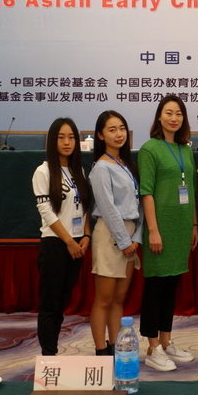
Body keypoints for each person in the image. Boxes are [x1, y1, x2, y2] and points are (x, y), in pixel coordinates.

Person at [137, 95, 198, 371]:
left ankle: (166, 341)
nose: (174, 118)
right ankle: (152, 348)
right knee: (155, 288)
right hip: (159, 229)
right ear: (159, 117)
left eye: (179, 114)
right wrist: (153, 230)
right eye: (169, 113)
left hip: (181, 228)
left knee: (171, 286)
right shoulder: (149, 149)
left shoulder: (185, 149)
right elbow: (146, 192)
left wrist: (194, 225)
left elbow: (190, 189)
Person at [32, 117, 92, 356]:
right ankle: (49, 355)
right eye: (61, 137)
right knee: (50, 303)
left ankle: (53, 349)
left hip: (77, 244)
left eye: (71, 137)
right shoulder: (43, 171)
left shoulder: (79, 171)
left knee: (63, 302)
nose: (67, 142)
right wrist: (69, 241)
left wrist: (86, 235)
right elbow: (46, 211)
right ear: (52, 141)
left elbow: (84, 206)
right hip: (56, 244)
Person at [88, 110, 143, 356]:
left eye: (121, 128)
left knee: (119, 299)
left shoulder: (126, 163)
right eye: (112, 130)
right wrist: (124, 241)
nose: (119, 134)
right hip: (111, 236)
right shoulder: (101, 167)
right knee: (104, 299)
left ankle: (115, 346)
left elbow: (137, 204)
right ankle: (101, 351)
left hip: (129, 236)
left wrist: (135, 238)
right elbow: (108, 208)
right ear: (100, 135)